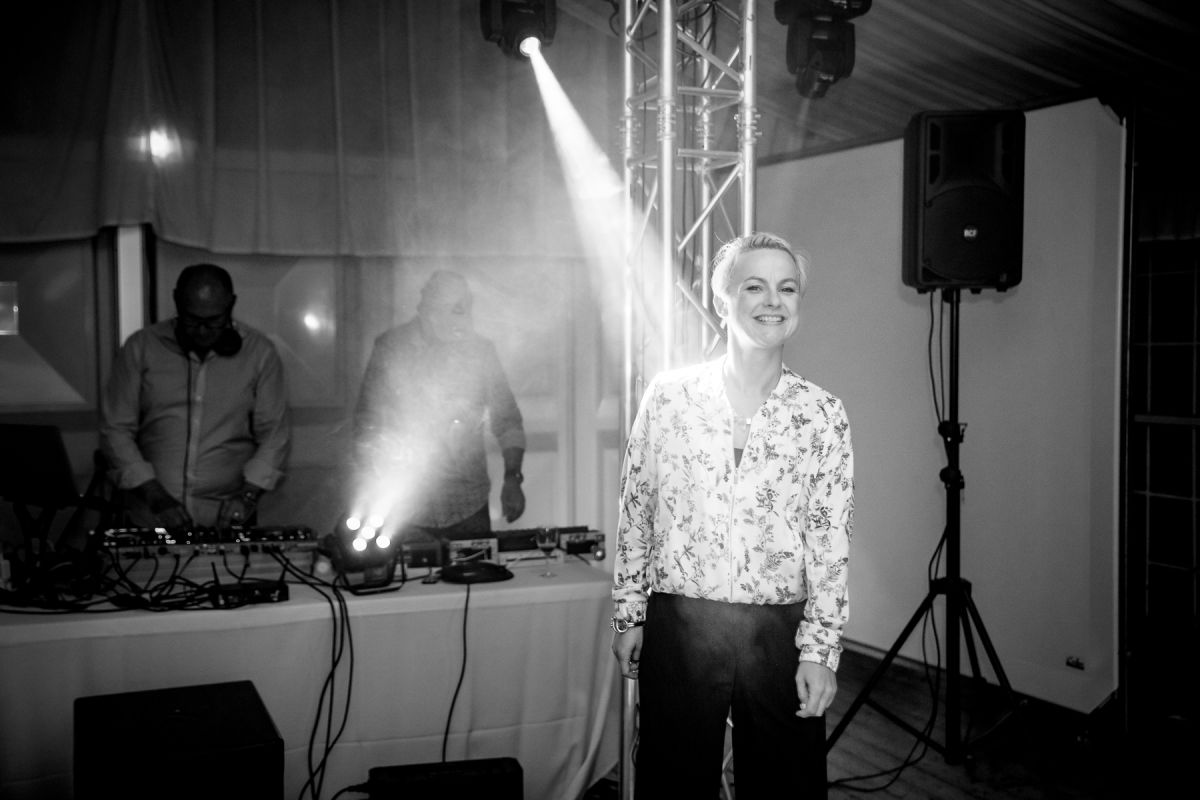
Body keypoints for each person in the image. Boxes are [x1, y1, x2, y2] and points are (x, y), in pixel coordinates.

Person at [611, 232, 854, 798]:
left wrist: (821, 652)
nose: (773, 300)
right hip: (680, 627)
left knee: (786, 788)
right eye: (754, 286)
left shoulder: (822, 414)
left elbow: (830, 543)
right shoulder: (669, 398)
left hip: (779, 634)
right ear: (722, 300)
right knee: (671, 787)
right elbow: (637, 508)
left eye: (787, 288)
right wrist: (628, 614)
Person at [100, 263, 291, 530]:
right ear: (176, 302)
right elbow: (116, 429)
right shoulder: (141, 348)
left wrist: (247, 496)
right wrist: (155, 495)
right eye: (192, 320)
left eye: (214, 321)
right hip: (150, 516)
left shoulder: (259, 354)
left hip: (226, 521)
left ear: (231, 305)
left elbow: (274, 435)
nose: (202, 330)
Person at [353, 270, 526, 540]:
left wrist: (513, 478)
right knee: (408, 569)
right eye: (456, 310)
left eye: (465, 309)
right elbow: (368, 423)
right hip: (406, 507)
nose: (463, 320)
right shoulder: (391, 349)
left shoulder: (480, 352)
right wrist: (375, 485)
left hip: (468, 501)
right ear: (429, 310)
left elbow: (507, 420)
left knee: (476, 568)